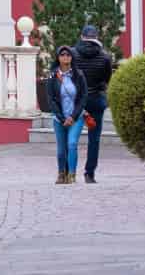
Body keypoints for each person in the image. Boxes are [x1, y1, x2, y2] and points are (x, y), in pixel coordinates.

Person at [71, 24, 114, 182]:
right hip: (96, 100)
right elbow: (107, 79)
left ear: (82, 36)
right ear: (96, 38)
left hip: (76, 101)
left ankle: (69, 172)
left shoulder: (72, 54)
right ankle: (89, 174)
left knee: (71, 138)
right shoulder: (105, 56)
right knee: (94, 139)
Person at [43, 44, 88, 185]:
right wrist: (62, 118)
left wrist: (73, 117)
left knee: (72, 144)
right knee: (61, 149)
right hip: (59, 119)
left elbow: (83, 96)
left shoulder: (79, 75)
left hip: (76, 117)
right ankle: (61, 173)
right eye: (62, 54)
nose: (65, 57)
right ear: (58, 58)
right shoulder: (52, 76)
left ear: (72, 57)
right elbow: (51, 99)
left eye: (68, 54)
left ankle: (72, 174)